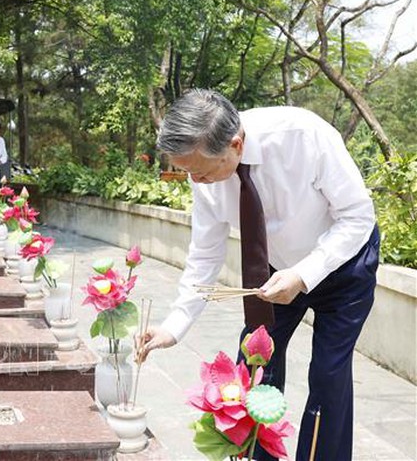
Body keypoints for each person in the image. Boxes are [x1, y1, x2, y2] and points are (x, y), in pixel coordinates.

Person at [137, 89, 377, 461]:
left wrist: (304, 274)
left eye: (201, 171)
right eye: (188, 173)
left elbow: (358, 217)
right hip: (274, 270)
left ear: (235, 144)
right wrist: (173, 326)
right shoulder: (203, 169)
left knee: (329, 376)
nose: (196, 182)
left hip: (344, 261)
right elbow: (204, 253)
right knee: (252, 366)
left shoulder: (303, 136)